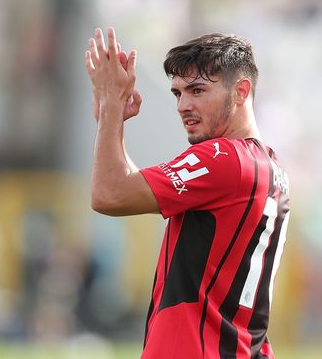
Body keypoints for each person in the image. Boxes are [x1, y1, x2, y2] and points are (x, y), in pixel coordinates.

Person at [85, 27, 290, 359]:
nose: (183, 105)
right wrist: (112, 122)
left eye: (197, 90)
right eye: (178, 93)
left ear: (240, 91)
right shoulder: (271, 168)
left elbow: (110, 193)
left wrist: (111, 106)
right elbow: (126, 186)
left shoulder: (224, 158)